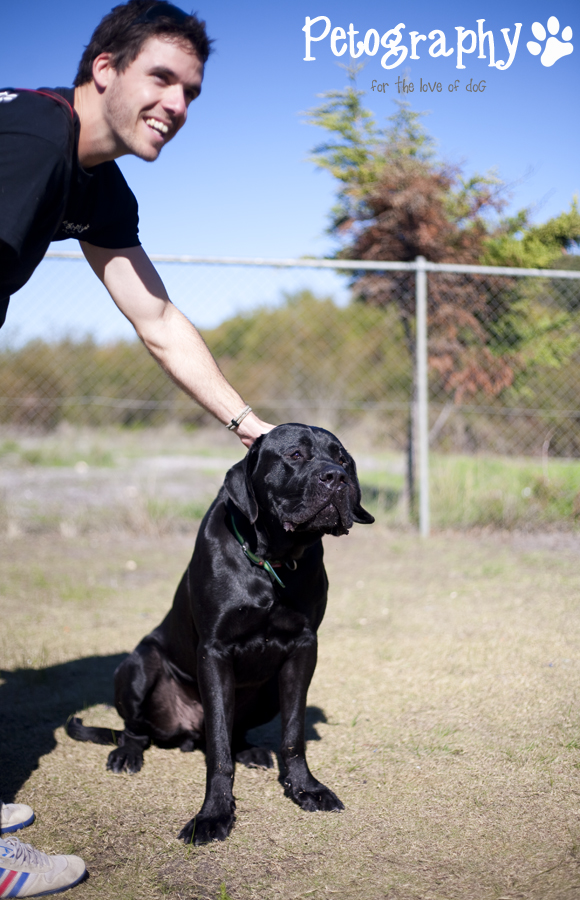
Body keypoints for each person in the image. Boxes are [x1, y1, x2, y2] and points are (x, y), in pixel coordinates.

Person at [0, 1, 273, 894]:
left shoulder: (97, 185)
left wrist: (248, 423)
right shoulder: (35, 140)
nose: (178, 105)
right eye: (161, 77)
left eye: (191, 91)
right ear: (105, 69)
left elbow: (157, 320)